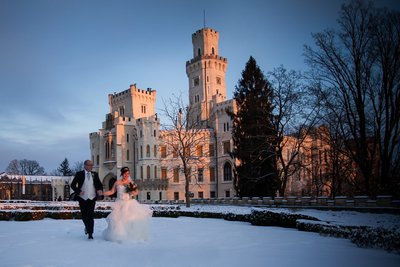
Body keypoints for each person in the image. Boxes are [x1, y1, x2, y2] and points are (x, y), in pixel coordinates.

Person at [102, 166, 153, 242]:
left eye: (128, 174)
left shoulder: (131, 183)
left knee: (129, 219)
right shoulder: (117, 182)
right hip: (119, 203)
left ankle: (128, 235)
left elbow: (136, 192)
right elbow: (112, 191)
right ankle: (118, 235)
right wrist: (102, 193)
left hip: (129, 203)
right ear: (122, 174)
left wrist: (131, 193)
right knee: (117, 219)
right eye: (125, 174)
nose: (126, 175)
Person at [70, 160, 103, 239]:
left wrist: (99, 190)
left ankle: (90, 233)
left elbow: (99, 184)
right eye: (89, 165)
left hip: (92, 198)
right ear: (85, 165)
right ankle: (87, 227)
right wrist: (79, 191)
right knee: (84, 216)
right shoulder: (79, 174)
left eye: (92, 165)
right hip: (82, 198)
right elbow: (73, 185)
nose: (91, 166)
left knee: (90, 216)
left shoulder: (95, 174)